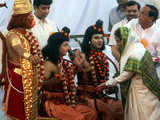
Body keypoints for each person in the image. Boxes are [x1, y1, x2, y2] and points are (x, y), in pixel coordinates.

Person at [98, 27, 160, 120]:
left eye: (118, 41)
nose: (118, 44)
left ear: (126, 38)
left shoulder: (135, 53)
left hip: (139, 91)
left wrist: (108, 83)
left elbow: (126, 75)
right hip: (147, 90)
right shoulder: (137, 47)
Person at [39, 27, 97, 120]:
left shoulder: (63, 62)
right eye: (65, 45)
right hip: (53, 104)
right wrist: (52, 82)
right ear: (57, 46)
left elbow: (84, 70)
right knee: (79, 118)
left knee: (91, 113)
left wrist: (77, 61)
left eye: (68, 45)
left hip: (67, 102)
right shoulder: (49, 64)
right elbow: (38, 84)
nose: (69, 48)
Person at [1, 0, 44, 120]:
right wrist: (29, 56)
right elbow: (18, 48)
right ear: (22, 18)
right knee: (19, 111)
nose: (32, 17)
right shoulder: (12, 35)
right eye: (29, 15)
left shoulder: (27, 33)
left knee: (30, 110)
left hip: (29, 74)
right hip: (18, 77)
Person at [77, 20, 124, 120]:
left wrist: (109, 87)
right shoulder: (82, 57)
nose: (100, 40)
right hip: (87, 97)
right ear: (89, 40)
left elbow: (103, 79)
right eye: (96, 38)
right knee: (107, 111)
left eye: (101, 37)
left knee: (121, 107)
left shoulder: (102, 56)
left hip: (101, 96)